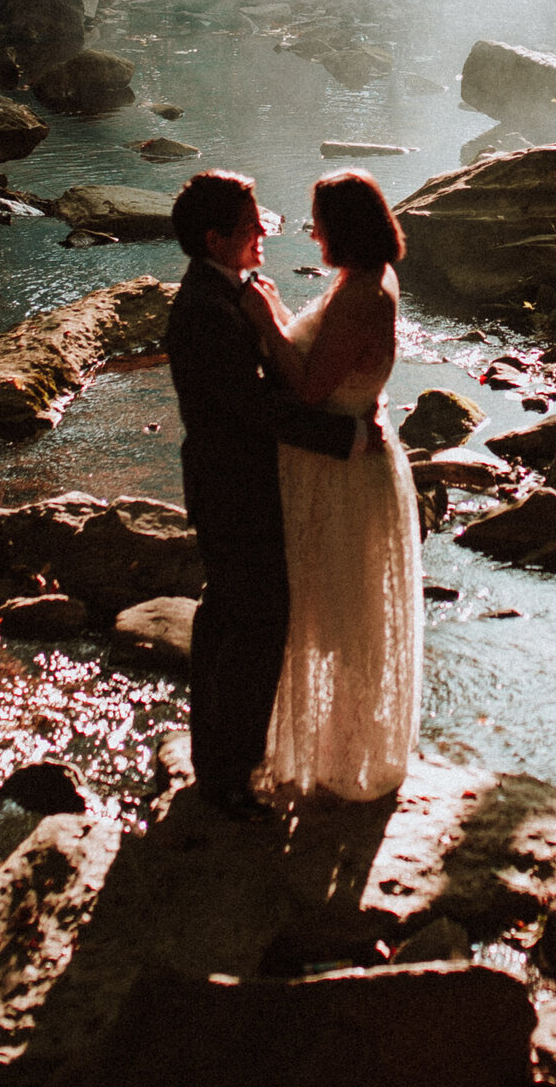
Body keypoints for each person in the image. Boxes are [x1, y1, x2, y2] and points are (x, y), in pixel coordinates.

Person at [164, 169, 362, 817]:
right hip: (232, 487)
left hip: (235, 481)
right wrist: (346, 435)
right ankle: (229, 776)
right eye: (253, 227)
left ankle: (217, 763)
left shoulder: (227, 292)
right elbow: (254, 407)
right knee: (253, 625)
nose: (264, 234)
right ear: (217, 239)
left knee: (231, 618)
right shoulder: (203, 310)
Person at [239, 167, 423, 804]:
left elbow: (313, 386)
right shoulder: (368, 279)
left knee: (335, 614)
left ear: (341, 227)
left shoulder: (359, 294)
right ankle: (339, 746)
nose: (309, 228)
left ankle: (340, 757)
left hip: (337, 471)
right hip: (351, 455)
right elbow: (340, 361)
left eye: (318, 219)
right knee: (342, 609)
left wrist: (265, 320)